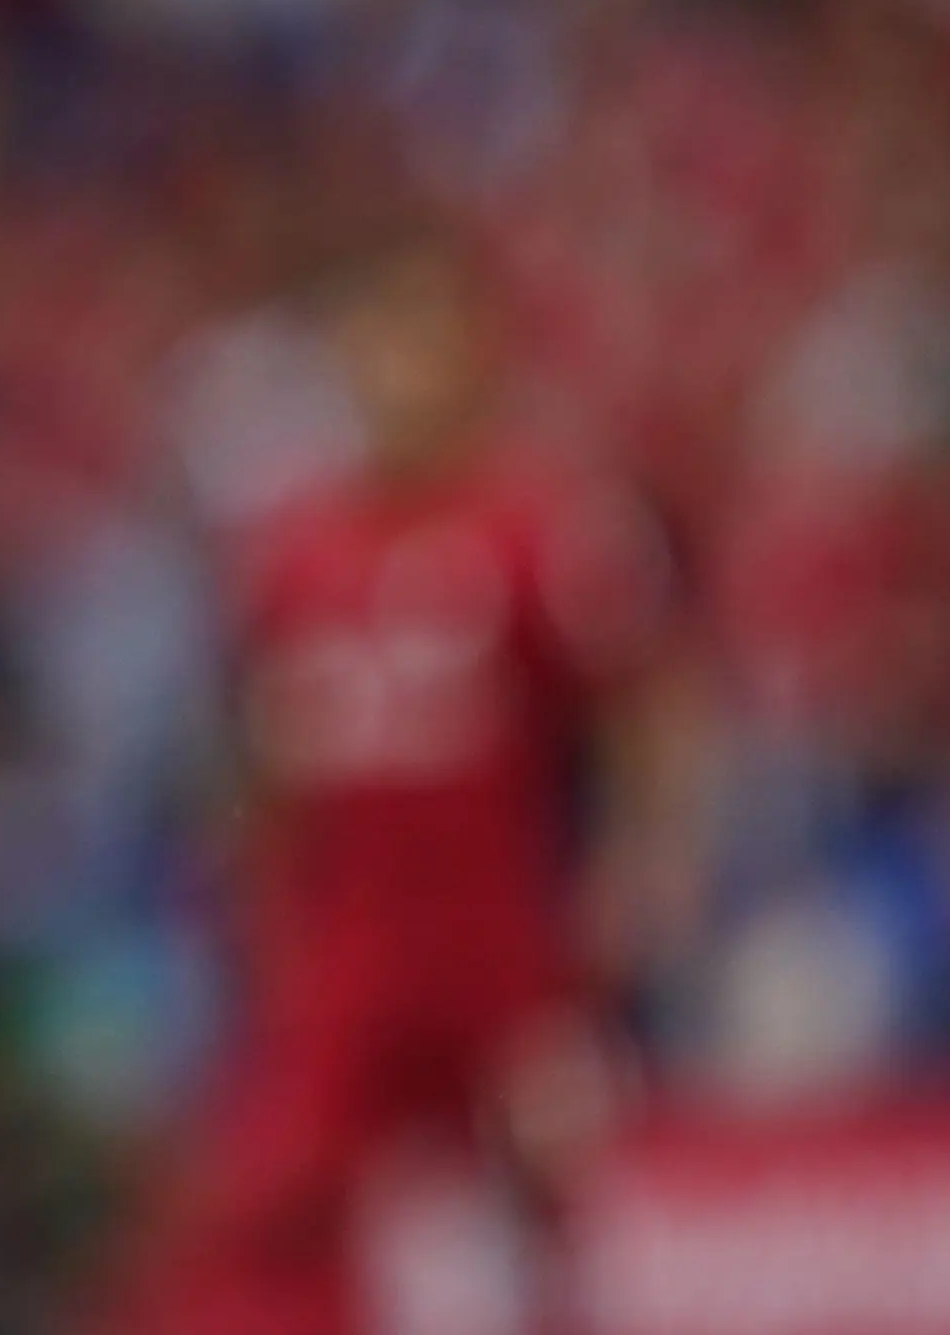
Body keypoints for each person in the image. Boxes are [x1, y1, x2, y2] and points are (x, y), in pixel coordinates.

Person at [115, 233, 658, 1335]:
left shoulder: (537, 525)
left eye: (421, 340)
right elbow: (260, 745)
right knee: (279, 1199)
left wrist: (641, 861)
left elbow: (644, 702)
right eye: (374, 343)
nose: (396, 370)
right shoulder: (293, 550)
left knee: (540, 1198)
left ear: (474, 356)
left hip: (501, 942)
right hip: (349, 943)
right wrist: (255, 892)